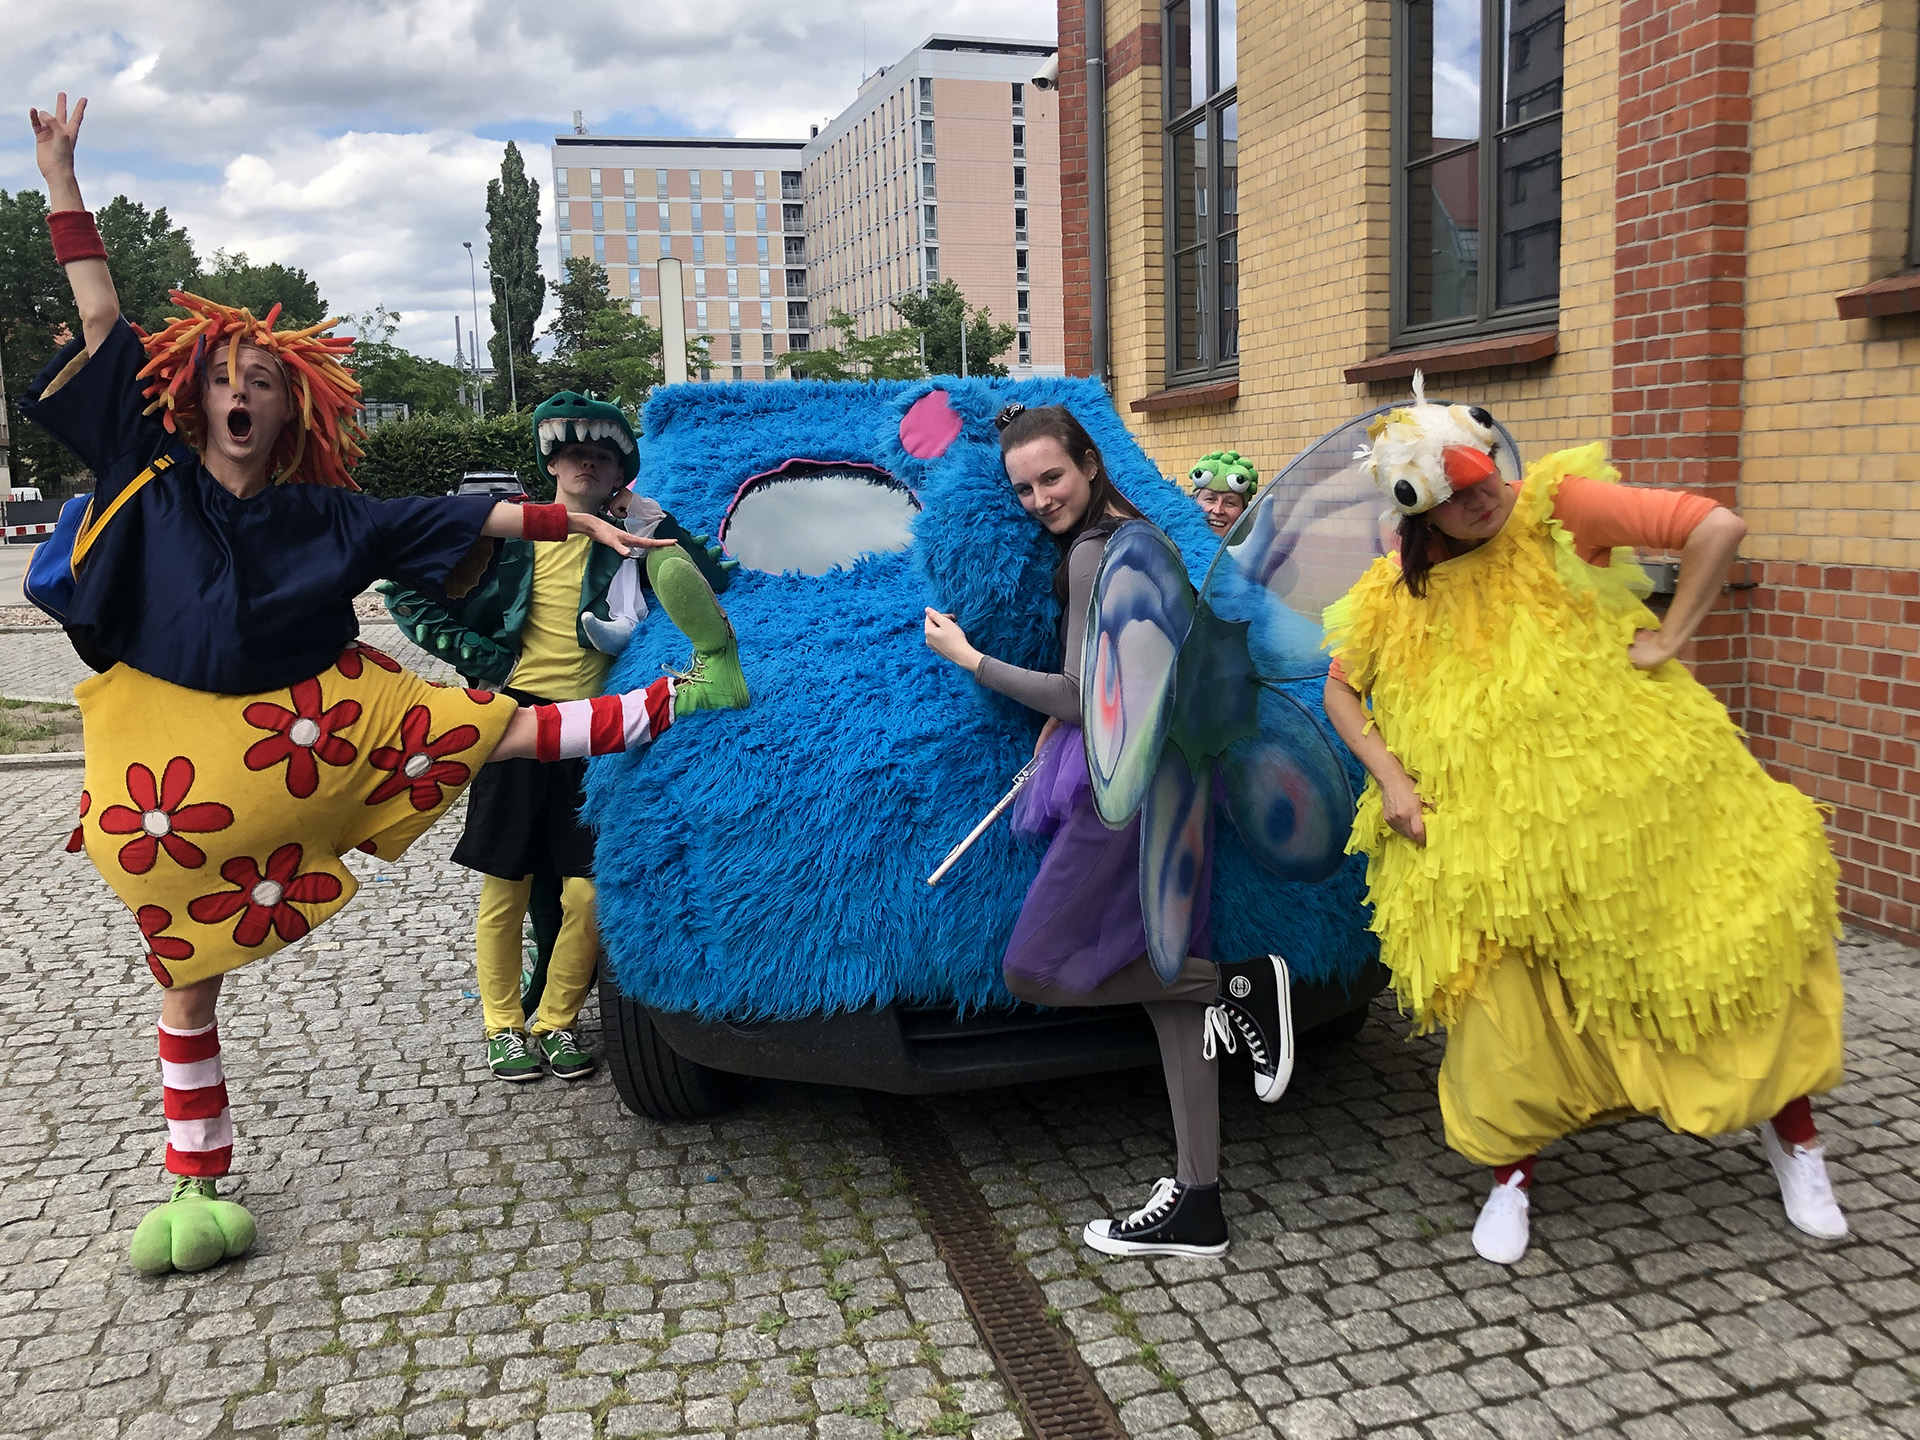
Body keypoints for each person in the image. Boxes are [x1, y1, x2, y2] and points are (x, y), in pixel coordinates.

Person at [25, 94, 748, 1275]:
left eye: (267, 378)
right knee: (185, 982)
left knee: (509, 734)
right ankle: (193, 1182)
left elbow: (462, 518)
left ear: (291, 405)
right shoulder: (145, 472)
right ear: (199, 392)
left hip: (321, 728)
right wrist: (62, 179)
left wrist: (581, 522)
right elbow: (102, 317)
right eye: (229, 376)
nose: (245, 391)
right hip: (172, 764)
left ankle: (690, 696)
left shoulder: (329, 515)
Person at [1322, 379, 1846, 1266]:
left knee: (1716, 957)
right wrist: (1394, 780)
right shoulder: (1395, 587)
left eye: (1487, 476)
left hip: (1639, 810)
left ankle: (1793, 1137)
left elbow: (1716, 527)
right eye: (1458, 497)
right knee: (1502, 1004)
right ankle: (1511, 1176)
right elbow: (1341, 689)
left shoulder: (1561, 510)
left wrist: (1671, 638)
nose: (1485, 498)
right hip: (1486, 836)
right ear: (1422, 513)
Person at [922, 404, 1291, 1259]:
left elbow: (1083, 694)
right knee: (1170, 992)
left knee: (1035, 967)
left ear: (1090, 463)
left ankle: (1237, 985)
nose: (1040, 499)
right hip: (1177, 777)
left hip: (1121, 789)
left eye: (1051, 477)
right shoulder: (1143, 536)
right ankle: (1199, 1202)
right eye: (1024, 488)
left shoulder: (1095, 553)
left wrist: (968, 658)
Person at [382, 392, 730, 1084]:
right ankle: (503, 1026)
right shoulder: (512, 536)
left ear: (620, 472)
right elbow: (403, 588)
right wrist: (489, 662)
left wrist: (654, 519)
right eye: (573, 453)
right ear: (552, 464)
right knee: (505, 886)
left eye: (600, 456)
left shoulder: (631, 542)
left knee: (586, 893)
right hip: (511, 724)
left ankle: (557, 1020)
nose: (585, 464)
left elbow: (714, 581)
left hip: (598, 733)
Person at [1187, 450, 1259, 536]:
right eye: (1210, 499)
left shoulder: (1259, 543)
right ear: (1193, 501)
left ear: (1243, 511)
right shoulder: (1173, 541)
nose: (1217, 511)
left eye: (1230, 503)